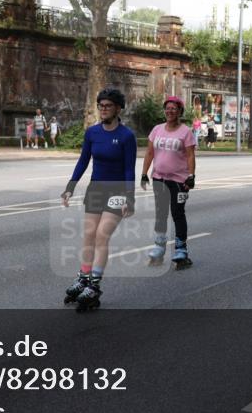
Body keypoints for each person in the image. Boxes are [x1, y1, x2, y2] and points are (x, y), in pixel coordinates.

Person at [61, 88, 137, 311]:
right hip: (95, 190)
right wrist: (70, 187)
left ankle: (94, 284)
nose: (103, 109)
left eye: (108, 106)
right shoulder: (92, 133)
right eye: (101, 106)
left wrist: (129, 198)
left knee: (102, 236)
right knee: (88, 236)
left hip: (117, 192)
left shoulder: (126, 136)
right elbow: (83, 161)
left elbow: (129, 170)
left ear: (118, 108)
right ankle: (83, 277)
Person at [141, 96, 196, 269]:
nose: (170, 111)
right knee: (160, 214)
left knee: (177, 213)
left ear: (180, 111)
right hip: (159, 178)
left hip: (179, 181)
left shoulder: (185, 132)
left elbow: (190, 155)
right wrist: (144, 173)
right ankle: (159, 247)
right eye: (167, 108)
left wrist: (191, 175)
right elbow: (150, 153)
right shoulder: (157, 129)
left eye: (174, 108)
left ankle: (181, 250)